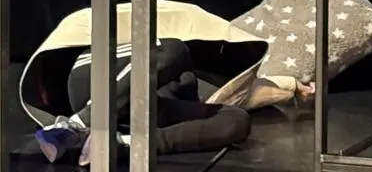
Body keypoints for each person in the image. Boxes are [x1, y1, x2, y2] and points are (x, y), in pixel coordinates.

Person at [34, 38, 251, 165]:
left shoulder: (189, 85)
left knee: (237, 119)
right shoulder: (165, 47)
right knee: (176, 49)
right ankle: (78, 123)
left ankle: (120, 145)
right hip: (99, 80)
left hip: (141, 112)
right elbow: (173, 51)